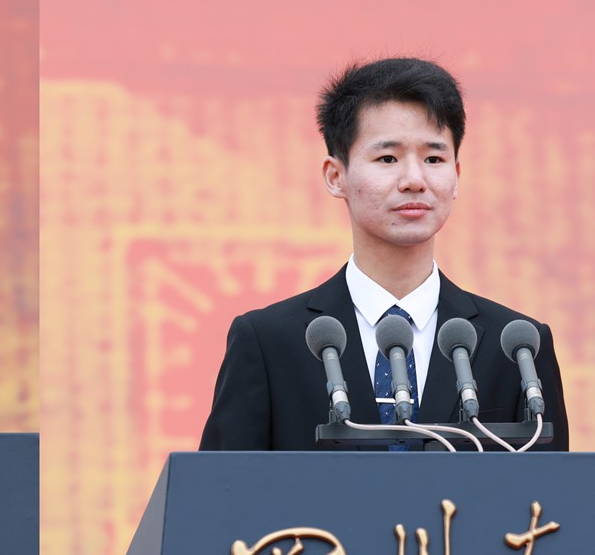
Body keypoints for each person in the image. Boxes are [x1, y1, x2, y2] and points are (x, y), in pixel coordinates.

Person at [198, 58, 569, 451]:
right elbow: (221, 485)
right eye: (388, 158)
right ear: (335, 176)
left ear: (457, 176)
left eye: (434, 159)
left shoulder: (517, 348)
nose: (414, 180)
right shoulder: (269, 342)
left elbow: (555, 487)